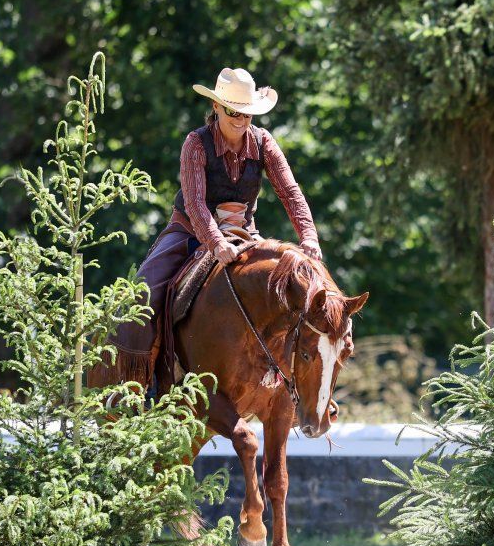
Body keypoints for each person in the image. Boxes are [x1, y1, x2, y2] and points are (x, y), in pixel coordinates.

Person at [88, 67, 322, 393]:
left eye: (247, 113)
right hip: (189, 231)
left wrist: (309, 236)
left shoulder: (264, 142)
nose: (240, 120)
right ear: (216, 107)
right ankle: (140, 383)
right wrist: (215, 242)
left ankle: (288, 389)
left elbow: (290, 193)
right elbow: (196, 204)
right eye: (232, 112)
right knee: (144, 293)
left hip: (244, 233)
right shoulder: (196, 143)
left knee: (286, 295)